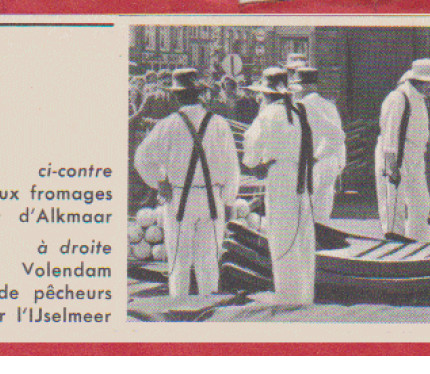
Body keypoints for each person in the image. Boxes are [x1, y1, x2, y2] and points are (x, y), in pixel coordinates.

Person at [133, 68, 241, 297]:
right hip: (213, 199)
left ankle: (178, 315)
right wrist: (229, 201)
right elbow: (233, 167)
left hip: (178, 199)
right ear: (199, 94)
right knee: (209, 264)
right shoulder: (219, 123)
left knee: (179, 264)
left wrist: (159, 182)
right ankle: (210, 313)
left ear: (175, 96)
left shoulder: (167, 125)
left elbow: (141, 158)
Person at [241, 67, 318, 304]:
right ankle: (305, 295)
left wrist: (255, 165)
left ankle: (287, 296)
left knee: (282, 236)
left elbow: (251, 147)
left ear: (266, 94)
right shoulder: (299, 111)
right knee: (303, 237)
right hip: (302, 176)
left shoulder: (267, 115)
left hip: (280, 176)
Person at [375, 58, 430, 240]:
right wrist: (392, 167)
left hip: (415, 158)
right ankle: (394, 244)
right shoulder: (398, 98)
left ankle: (417, 242)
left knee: (421, 203)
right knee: (393, 207)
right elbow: (390, 135)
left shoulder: (420, 99)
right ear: (419, 82)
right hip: (396, 157)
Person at [292, 65, 347, 221]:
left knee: (304, 213)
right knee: (322, 210)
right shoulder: (329, 106)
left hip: (312, 163)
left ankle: (310, 244)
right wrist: (339, 164)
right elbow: (338, 138)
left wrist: (316, 156)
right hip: (330, 162)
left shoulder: (303, 106)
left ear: (304, 86)